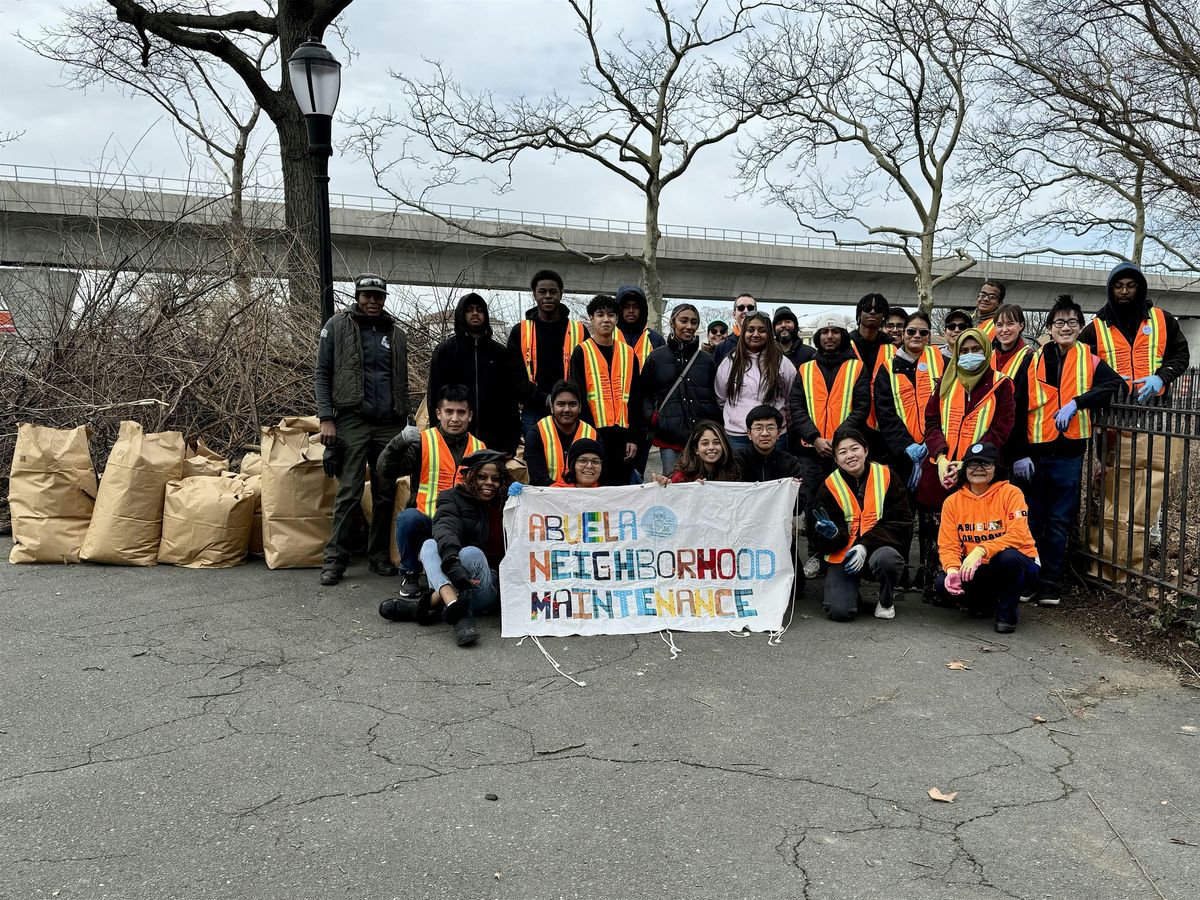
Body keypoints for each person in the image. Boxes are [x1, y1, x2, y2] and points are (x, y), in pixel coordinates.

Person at [1010, 296, 1124, 606]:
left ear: (1080, 327)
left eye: (1072, 323)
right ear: (1049, 328)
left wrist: (1078, 402)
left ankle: (1050, 584)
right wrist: (1019, 453)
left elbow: (1114, 385)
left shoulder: (1090, 359)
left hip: (1069, 456)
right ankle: (1029, 580)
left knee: (1059, 521)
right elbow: (1017, 407)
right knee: (1029, 521)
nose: (1065, 328)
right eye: (1059, 323)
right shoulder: (1031, 361)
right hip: (1033, 456)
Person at [1080, 262, 1191, 574]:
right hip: (1113, 420)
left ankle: (1134, 565)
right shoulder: (1096, 327)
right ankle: (1105, 563)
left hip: (1153, 417)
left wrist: (1162, 377)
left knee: (1146, 496)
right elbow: (1081, 366)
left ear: (1139, 288)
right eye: (1119, 286)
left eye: (1130, 285)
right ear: (1111, 289)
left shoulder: (1162, 320)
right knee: (1113, 492)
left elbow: (1180, 355)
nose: (1124, 291)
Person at [315, 273, 410, 587]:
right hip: (352, 420)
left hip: (389, 423)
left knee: (385, 494)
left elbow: (400, 380)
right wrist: (326, 418)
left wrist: (404, 420)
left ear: (384, 300)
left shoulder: (396, 333)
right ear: (357, 296)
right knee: (350, 492)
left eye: (378, 297)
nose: (372, 301)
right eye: (367, 295)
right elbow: (322, 374)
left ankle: (379, 556)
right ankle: (335, 560)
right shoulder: (336, 326)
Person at [916, 328, 1015, 602]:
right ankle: (937, 583)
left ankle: (974, 587)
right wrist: (943, 458)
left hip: (979, 471)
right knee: (935, 529)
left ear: (987, 351)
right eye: (965, 351)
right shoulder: (946, 382)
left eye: (976, 350)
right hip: (940, 467)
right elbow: (932, 422)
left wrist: (968, 462)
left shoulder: (1001, 384)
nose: (970, 356)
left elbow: (1001, 429)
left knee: (974, 529)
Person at [378, 449, 511, 648]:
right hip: (453, 573)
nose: (489, 483)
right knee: (430, 544)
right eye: (482, 477)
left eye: (496, 478)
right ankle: (457, 610)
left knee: (471, 553)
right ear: (471, 477)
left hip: (486, 584)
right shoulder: (451, 497)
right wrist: (451, 562)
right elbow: (445, 528)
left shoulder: (509, 501)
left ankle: (428, 605)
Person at [376, 384, 486, 596]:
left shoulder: (480, 449)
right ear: (438, 413)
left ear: (470, 415)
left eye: (461, 412)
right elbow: (384, 470)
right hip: (428, 520)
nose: (455, 418)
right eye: (449, 412)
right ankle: (410, 573)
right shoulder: (423, 442)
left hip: (461, 527)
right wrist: (398, 443)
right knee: (407, 519)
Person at [789, 313, 871, 567]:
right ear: (818, 337)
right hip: (813, 450)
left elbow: (861, 406)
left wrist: (837, 441)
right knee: (814, 501)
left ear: (843, 336)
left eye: (835, 331)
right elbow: (796, 406)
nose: (830, 336)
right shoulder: (805, 369)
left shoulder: (856, 367)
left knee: (846, 500)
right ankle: (816, 552)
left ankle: (844, 548)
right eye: (825, 332)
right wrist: (814, 438)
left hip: (844, 451)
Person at [810, 428, 911, 621]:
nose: (850, 455)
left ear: (865, 450)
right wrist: (832, 535)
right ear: (836, 459)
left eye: (854, 448)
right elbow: (819, 540)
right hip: (843, 555)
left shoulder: (887, 477)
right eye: (842, 452)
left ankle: (886, 598)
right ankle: (850, 593)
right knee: (839, 611)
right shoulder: (830, 486)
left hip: (878, 550)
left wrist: (865, 545)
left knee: (888, 560)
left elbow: (900, 522)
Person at [937, 442, 1039, 634]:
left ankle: (1007, 613)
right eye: (973, 464)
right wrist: (952, 569)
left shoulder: (1011, 493)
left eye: (986, 464)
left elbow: (1017, 535)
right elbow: (947, 544)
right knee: (942, 582)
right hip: (979, 568)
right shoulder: (952, 502)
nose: (979, 469)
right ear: (964, 469)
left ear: (996, 467)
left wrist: (981, 549)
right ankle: (983, 603)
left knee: (1007, 558)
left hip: (1019, 565)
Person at [873, 312, 943, 586]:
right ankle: (898, 573)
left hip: (934, 454)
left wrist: (930, 446)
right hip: (901, 455)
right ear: (902, 335)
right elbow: (885, 413)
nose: (916, 337)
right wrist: (907, 447)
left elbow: (947, 408)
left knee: (930, 517)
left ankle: (928, 573)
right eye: (911, 331)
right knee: (900, 516)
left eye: (923, 332)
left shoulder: (941, 363)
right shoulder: (887, 368)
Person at [426, 292, 519, 455]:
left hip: (494, 438)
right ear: (462, 314)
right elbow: (434, 395)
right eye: (469, 310)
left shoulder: (500, 353)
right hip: (455, 437)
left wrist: (511, 441)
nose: (475, 313)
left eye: (479, 309)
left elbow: (510, 401)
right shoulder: (445, 351)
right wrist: (437, 434)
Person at [569, 295, 643, 485]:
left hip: (623, 436)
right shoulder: (582, 352)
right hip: (594, 433)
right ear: (591, 319)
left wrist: (633, 438)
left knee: (622, 488)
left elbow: (635, 398)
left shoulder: (628, 353)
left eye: (611, 315)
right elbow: (579, 397)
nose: (606, 319)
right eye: (600, 314)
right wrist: (588, 435)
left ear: (617, 319)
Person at [640, 303, 720, 475]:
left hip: (702, 439)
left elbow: (715, 395)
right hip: (669, 438)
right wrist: (653, 418)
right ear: (672, 322)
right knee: (673, 488)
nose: (689, 326)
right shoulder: (656, 357)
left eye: (694, 322)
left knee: (703, 488)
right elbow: (645, 393)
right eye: (684, 321)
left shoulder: (706, 360)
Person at [507, 269, 588, 437]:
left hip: (570, 410)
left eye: (553, 291)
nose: (548, 296)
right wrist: (546, 399)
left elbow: (587, 374)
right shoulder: (520, 331)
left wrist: (568, 402)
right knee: (535, 460)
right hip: (534, 411)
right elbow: (515, 378)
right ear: (534, 295)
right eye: (542, 291)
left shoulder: (579, 330)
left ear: (561, 294)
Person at [715, 311, 795, 451]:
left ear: (769, 334)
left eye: (762, 330)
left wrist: (778, 425)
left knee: (775, 474)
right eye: (750, 330)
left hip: (773, 436)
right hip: (737, 436)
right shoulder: (729, 362)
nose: (756, 334)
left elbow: (790, 400)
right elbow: (721, 399)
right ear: (743, 332)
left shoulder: (782, 363)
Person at [523, 380, 597, 487]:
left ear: (580, 407)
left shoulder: (593, 435)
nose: (566, 409)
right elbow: (538, 479)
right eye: (561, 404)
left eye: (572, 404)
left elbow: (598, 476)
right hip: (547, 498)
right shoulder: (536, 433)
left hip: (583, 497)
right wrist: (567, 492)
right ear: (552, 408)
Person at [656, 420, 741, 484]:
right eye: (705, 443)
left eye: (716, 442)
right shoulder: (681, 476)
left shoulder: (734, 471)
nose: (711, 447)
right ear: (696, 449)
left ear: (724, 446)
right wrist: (691, 490)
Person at [735, 405, 805, 482]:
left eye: (770, 428)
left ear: (778, 433)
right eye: (758, 428)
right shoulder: (737, 460)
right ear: (749, 434)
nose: (765, 433)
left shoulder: (789, 462)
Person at [614, 284, 665, 365]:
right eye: (626, 307)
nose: (631, 310)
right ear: (619, 310)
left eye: (636, 307)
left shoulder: (656, 339)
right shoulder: (608, 336)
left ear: (642, 310)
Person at [990, 303, 1036, 380]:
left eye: (1010, 324)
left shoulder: (1030, 358)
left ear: (1021, 325)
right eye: (999, 325)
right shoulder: (989, 356)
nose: (1004, 330)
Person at [712, 293, 758, 366]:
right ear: (734, 315)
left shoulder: (767, 343)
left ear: (756, 313)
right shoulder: (722, 347)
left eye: (750, 308)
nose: (746, 311)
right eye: (741, 308)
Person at [773, 305, 816, 370]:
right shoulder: (767, 354)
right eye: (779, 323)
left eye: (788, 322)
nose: (783, 325)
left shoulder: (810, 354)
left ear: (795, 326)